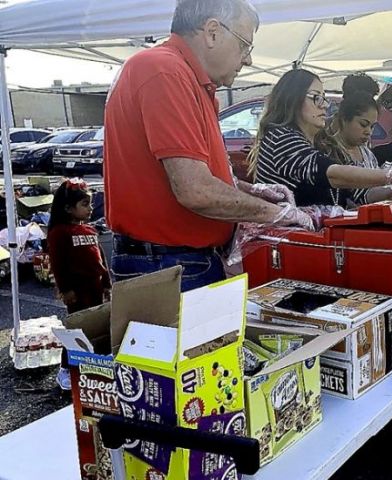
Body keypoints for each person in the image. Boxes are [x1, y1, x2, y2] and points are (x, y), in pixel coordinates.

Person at [104, 0, 312, 292]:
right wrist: (276, 213)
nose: (248, 60)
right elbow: (195, 190)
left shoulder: (187, 78)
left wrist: (247, 190)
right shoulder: (165, 70)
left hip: (177, 260)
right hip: (169, 263)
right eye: (245, 46)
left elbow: (198, 175)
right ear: (212, 32)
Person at [251, 68, 392, 208]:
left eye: (324, 99)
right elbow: (331, 175)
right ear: (293, 99)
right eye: (316, 98)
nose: (324, 106)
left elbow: (358, 195)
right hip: (288, 244)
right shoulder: (280, 138)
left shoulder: (320, 143)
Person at [47, 178, 111, 391]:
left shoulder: (89, 230)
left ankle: (93, 365)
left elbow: (100, 258)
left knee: (98, 327)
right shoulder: (60, 233)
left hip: (96, 288)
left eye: (90, 204)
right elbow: (58, 264)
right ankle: (66, 368)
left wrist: (107, 283)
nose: (90, 209)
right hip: (78, 291)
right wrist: (65, 289)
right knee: (78, 329)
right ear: (68, 208)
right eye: (85, 204)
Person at [333, 91, 392, 204]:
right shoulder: (331, 152)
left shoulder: (367, 154)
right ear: (344, 120)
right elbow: (355, 196)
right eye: (363, 124)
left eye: (372, 126)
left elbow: (379, 183)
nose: (369, 132)